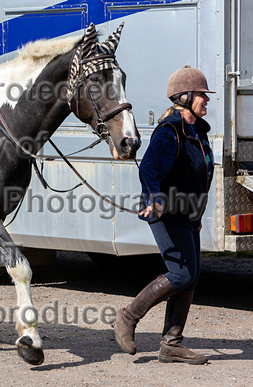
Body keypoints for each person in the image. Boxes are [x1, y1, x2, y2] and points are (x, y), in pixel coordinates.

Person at [113, 65, 215, 365]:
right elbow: (149, 169)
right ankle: (127, 317)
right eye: (202, 96)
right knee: (181, 273)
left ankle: (171, 344)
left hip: (188, 214)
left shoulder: (197, 130)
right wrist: (156, 198)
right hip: (166, 211)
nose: (207, 101)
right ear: (183, 97)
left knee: (191, 276)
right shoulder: (170, 132)